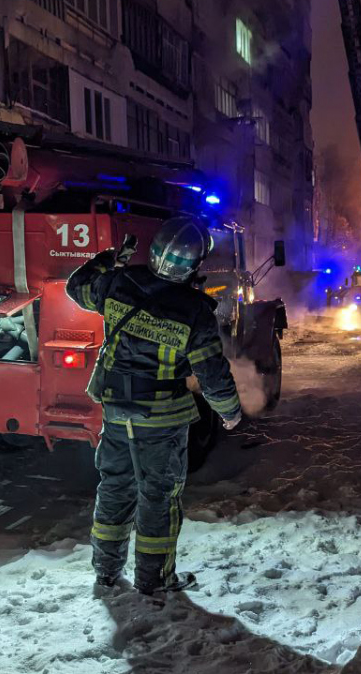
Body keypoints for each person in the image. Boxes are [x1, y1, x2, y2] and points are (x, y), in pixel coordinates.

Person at [66, 217, 242, 594]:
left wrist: (109, 259)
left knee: (114, 488)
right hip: (161, 421)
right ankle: (155, 580)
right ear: (195, 265)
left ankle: (106, 572)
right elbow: (211, 372)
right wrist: (229, 411)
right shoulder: (195, 310)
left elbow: (75, 286)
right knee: (158, 498)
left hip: (115, 412)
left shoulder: (117, 282)